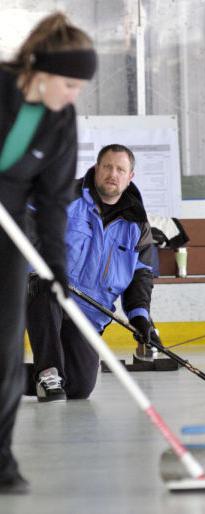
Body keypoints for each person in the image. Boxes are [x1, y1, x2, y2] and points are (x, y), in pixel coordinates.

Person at [0, 12, 96, 494]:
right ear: (40, 71)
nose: (73, 95)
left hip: (10, 233)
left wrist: (57, 267)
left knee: (4, 352)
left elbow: (57, 199)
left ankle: (0, 461)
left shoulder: (61, 121)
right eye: (69, 83)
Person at [25, 144, 160, 403]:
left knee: (79, 386)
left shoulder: (138, 225)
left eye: (121, 169)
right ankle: (48, 372)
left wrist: (141, 318)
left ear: (130, 176)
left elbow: (140, 276)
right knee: (45, 285)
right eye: (107, 166)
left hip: (88, 312)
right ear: (97, 168)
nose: (113, 173)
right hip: (47, 293)